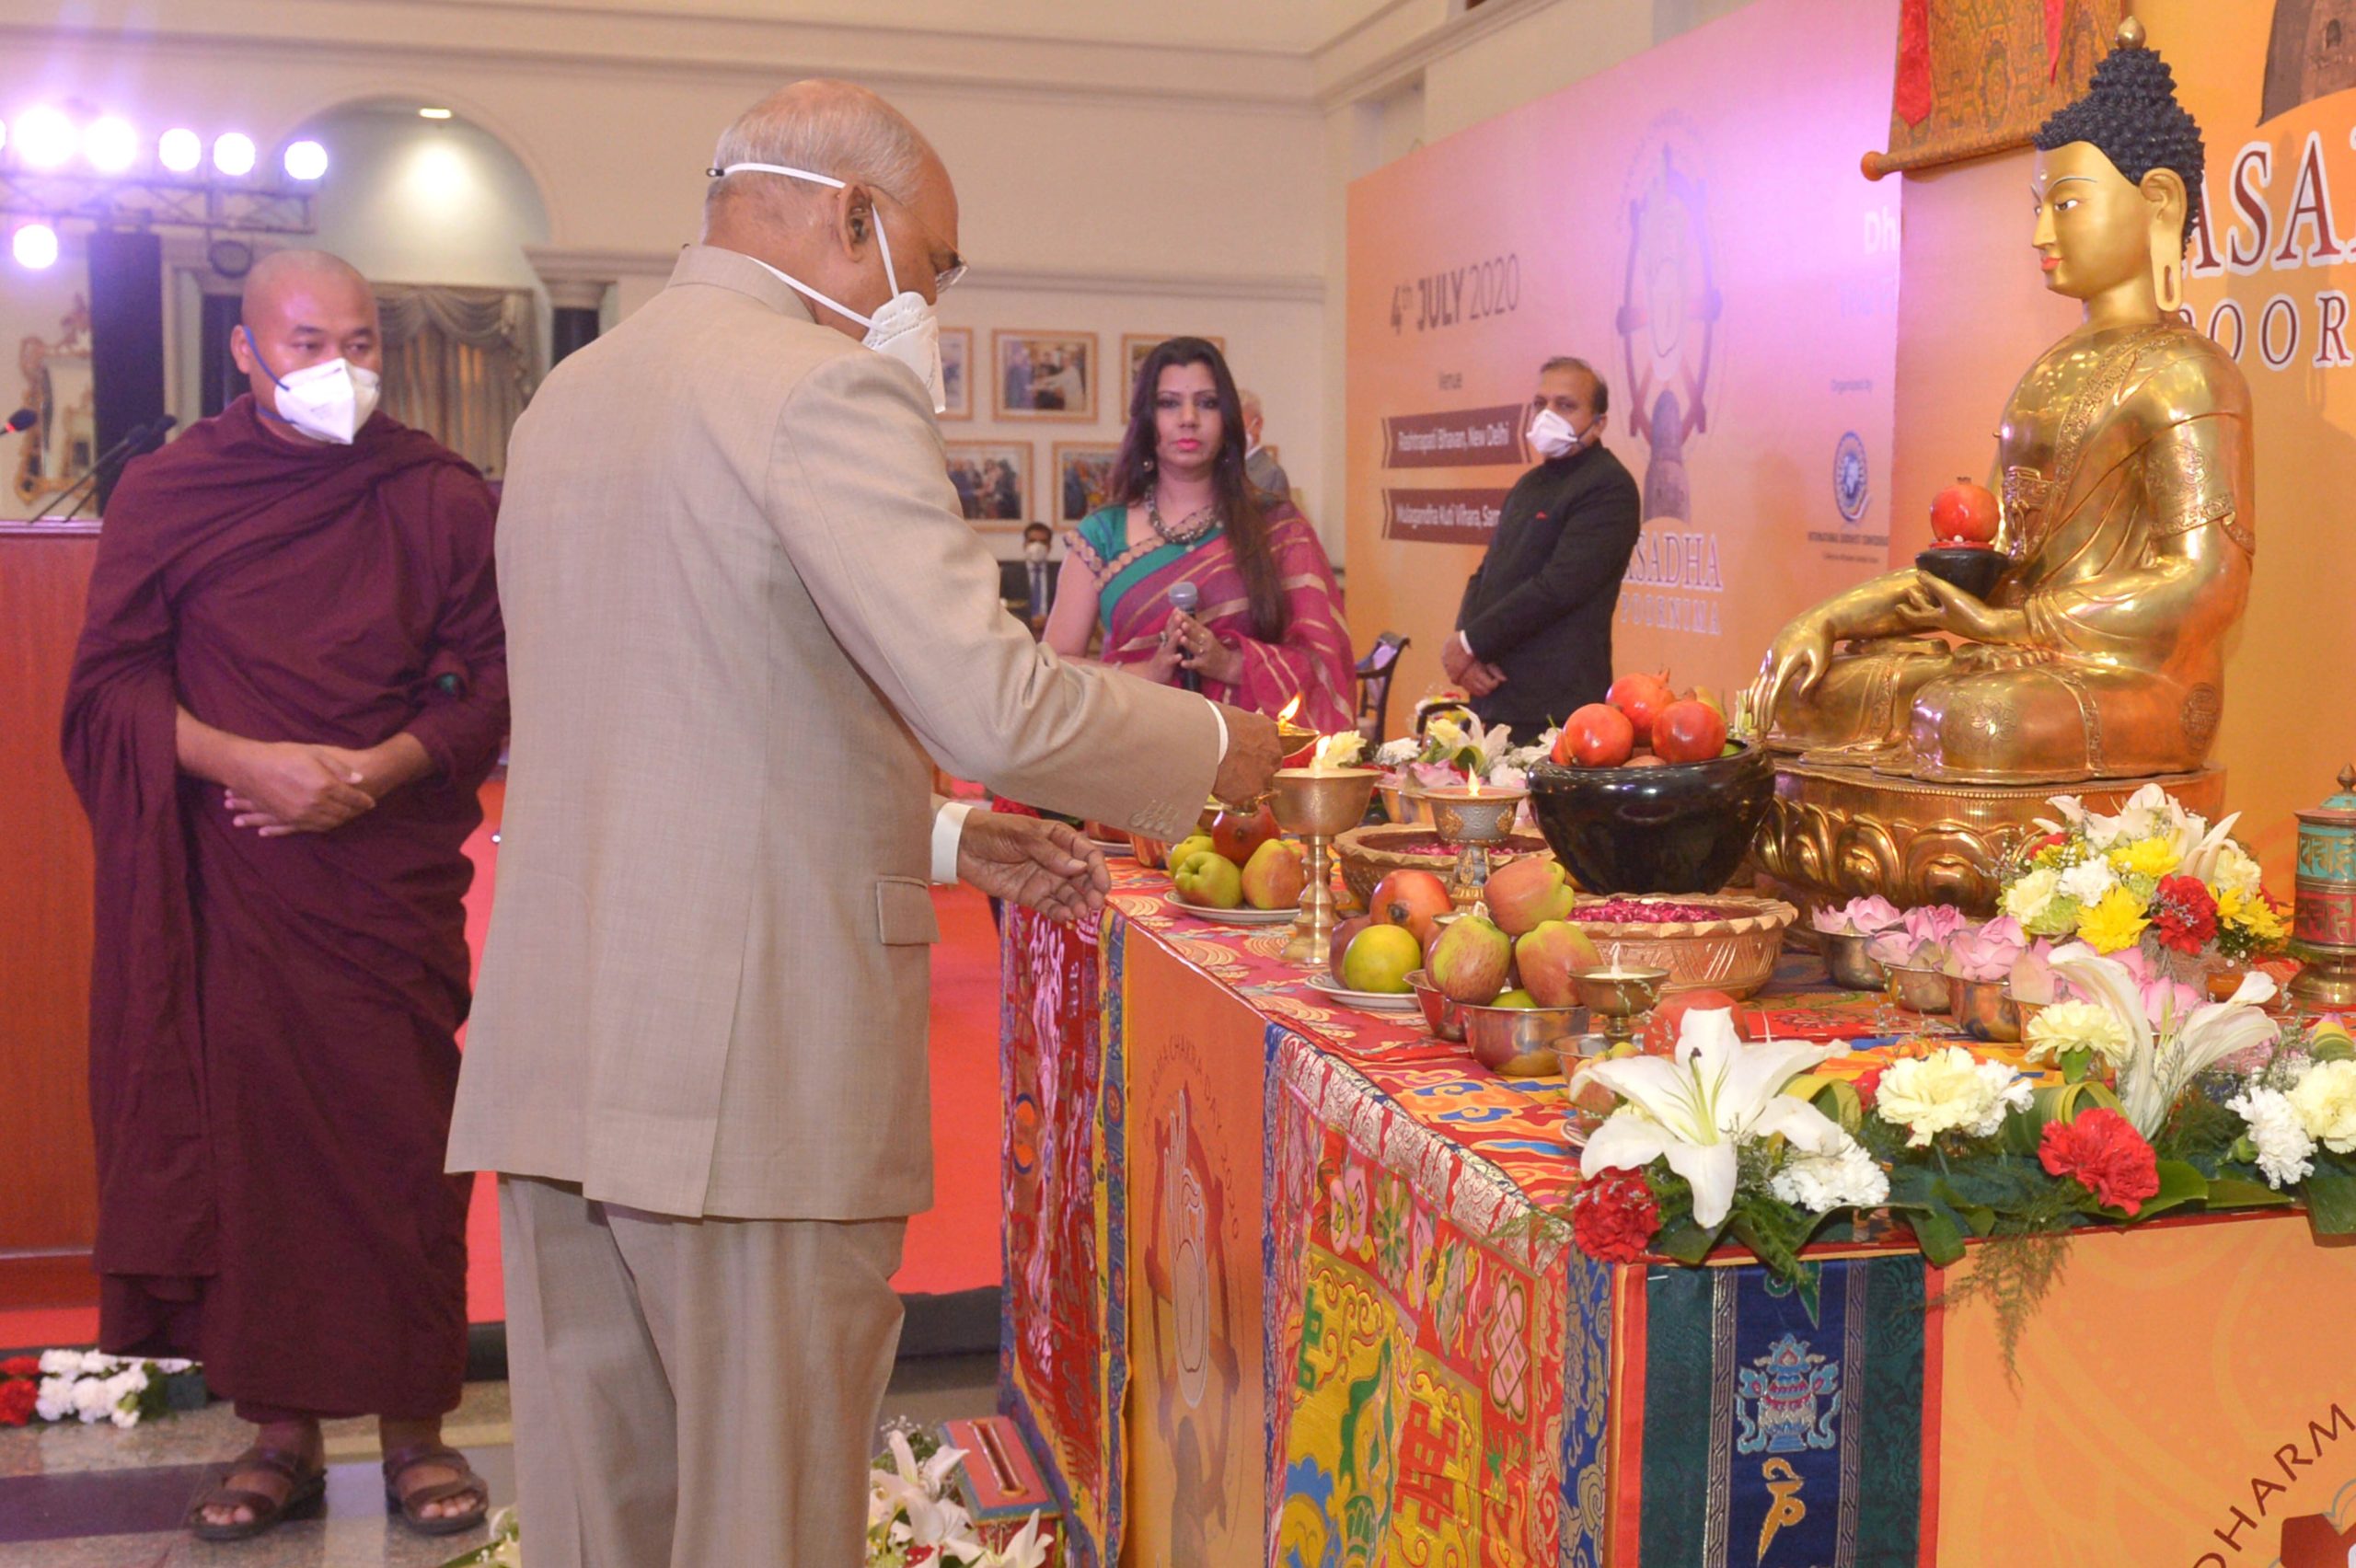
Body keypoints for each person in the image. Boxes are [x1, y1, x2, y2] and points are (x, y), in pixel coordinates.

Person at [443, 81, 1282, 1568]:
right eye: (938, 264)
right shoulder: (820, 387)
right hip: (749, 1086)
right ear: (852, 218)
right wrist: (1233, 748)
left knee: (600, 1521)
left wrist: (950, 840)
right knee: (767, 1517)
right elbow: (994, 703)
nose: (933, 300)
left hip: (566, 1049)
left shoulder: (575, 391)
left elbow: (690, 707)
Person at [61, 249, 502, 1542]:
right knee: (256, 1159)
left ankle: (420, 1430)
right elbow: (108, 692)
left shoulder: (434, 495)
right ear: (245, 352)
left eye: (362, 343)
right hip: (237, 883)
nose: (340, 371)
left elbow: (488, 682)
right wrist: (243, 760)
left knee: (400, 1151)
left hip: (381, 882)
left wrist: (376, 772)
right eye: (308, 344)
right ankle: (279, 1435)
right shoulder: (173, 491)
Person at [1044, 337, 1355, 732]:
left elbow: (1323, 664)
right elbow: (1056, 667)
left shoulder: (1275, 527)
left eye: (1206, 403)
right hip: (1135, 751)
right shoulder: (1102, 534)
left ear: (1227, 420)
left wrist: (1229, 664)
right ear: (1145, 419)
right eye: (1169, 403)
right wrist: (1151, 671)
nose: (1188, 418)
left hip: (1252, 760)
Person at [1443, 356, 1642, 732]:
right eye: (1541, 404)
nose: (1547, 414)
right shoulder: (1529, 484)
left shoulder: (1608, 487)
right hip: (1492, 696)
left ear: (1598, 424)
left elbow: (1560, 586)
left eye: (1565, 405)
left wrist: (1470, 643)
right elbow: (1488, 573)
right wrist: (1468, 651)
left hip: (1555, 707)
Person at [999, 520, 1058, 628]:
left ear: (1049, 547)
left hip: (1053, 629)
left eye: (1043, 542)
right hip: (1019, 630)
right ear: (1025, 545)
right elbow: (1002, 606)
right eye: (1032, 541)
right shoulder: (1009, 574)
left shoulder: (1060, 574)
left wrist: (1049, 620)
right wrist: (1029, 621)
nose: (1037, 546)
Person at [1240, 387, 1291, 501]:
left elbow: (1277, 517)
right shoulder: (1219, 468)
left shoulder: (1272, 474)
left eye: (1239, 426)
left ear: (1258, 424)